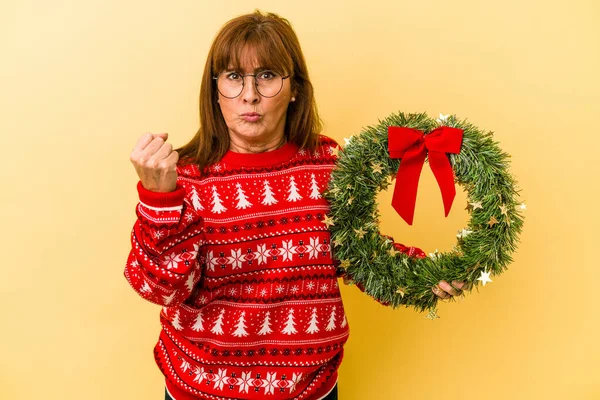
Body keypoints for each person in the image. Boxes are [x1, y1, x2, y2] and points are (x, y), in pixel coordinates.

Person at [125, 10, 468, 400]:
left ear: (295, 90)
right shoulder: (183, 177)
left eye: (267, 75)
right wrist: (159, 200)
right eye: (234, 77)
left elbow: (357, 255)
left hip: (310, 389)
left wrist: (420, 275)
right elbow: (162, 289)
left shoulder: (328, 163)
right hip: (202, 388)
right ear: (215, 90)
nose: (250, 95)